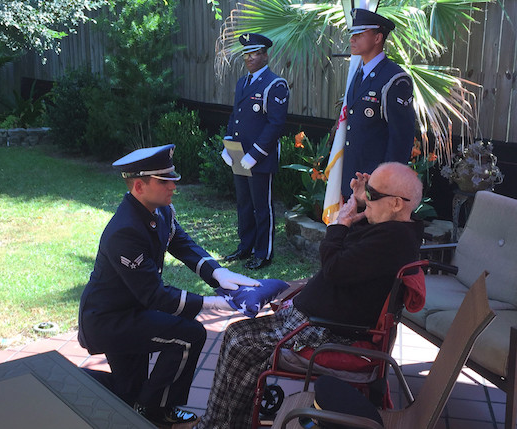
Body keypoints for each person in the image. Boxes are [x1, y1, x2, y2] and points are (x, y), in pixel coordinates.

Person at [195, 162, 424, 428]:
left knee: (240, 343)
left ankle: (218, 425)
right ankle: (225, 422)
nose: (366, 199)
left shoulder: (393, 241)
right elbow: (351, 253)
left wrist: (340, 223)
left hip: (324, 329)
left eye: (373, 194)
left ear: (397, 203)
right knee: (237, 337)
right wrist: (361, 204)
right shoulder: (391, 228)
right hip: (312, 317)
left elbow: (334, 268)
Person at [77, 144, 259, 427]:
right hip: (110, 320)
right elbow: (156, 296)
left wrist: (219, 274)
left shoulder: (159, 211)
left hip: (131, 312)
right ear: (139, 186)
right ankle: (151, 410)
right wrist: (216, 304)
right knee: (189, 336)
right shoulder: (124, 230)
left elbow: (182, 244)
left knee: (128, 392)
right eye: (165, 181)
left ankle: (145, 407)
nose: (174, 185)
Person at [221, 33, 289, 270]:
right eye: (246, 54)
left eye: (254, 53)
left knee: (262, 207)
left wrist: (255, 154)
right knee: (244, 203)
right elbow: (235, 116)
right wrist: (228, 144)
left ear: (265, 55)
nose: (249, 58)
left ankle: (264, 252)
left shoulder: (275, 84)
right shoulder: (242, 82)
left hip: (259, 156)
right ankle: (245, 246)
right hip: (239, 154)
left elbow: (275, 125)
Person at [341, 8, 415, 199]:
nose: (352, 39)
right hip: (352, 176)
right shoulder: (358, 75)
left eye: (360, 34)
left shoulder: (395, 79)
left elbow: (401, 139)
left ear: (377, 38)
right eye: (352, 34)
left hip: (375, 182)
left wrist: (385, 185)